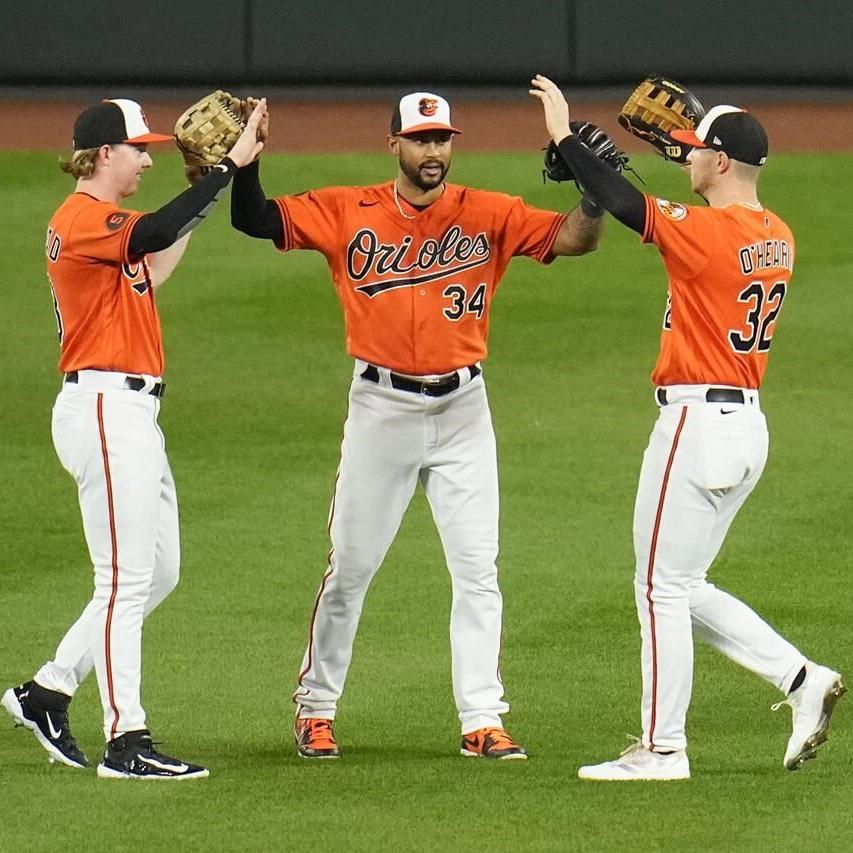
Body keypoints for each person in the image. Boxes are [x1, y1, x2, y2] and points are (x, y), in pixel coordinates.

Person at [231, 91, 607, 759]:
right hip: (382, 411)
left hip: (465, 411)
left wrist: (596, 193)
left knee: (477, 570)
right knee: (349, 567)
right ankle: (315, 709)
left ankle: (481, 718)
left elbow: (573, 239)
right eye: (420, 139)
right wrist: (247, 162)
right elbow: (255, 220)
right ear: (393, 144)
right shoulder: (349, 208)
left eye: (441, 139)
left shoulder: (489, 211)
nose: (433, 151)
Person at [530, 75, 845, 780]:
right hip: (744, 428)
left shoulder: (707, 232)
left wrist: (561, 136)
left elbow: (625, 205)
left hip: (696, 426)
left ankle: (660, 749)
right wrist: (661, 153)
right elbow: (663, 191)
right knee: (680, 582)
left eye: (698, 151)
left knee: (657, 588)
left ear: (723, 162)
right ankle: (801, 678)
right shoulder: (774, 233)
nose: (687, 157)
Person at [2, 97, 266, 780]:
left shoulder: (106, 227)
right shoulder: (83, 218)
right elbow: (150, 234)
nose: (148, 158)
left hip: (128, 412)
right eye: (138, 149)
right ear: (102, 154)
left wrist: (205, 186)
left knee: (159, 571)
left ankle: (49, 689)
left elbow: (157, 257)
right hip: (102, 408)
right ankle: (127, 741)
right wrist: (225, 170)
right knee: (122, 579)